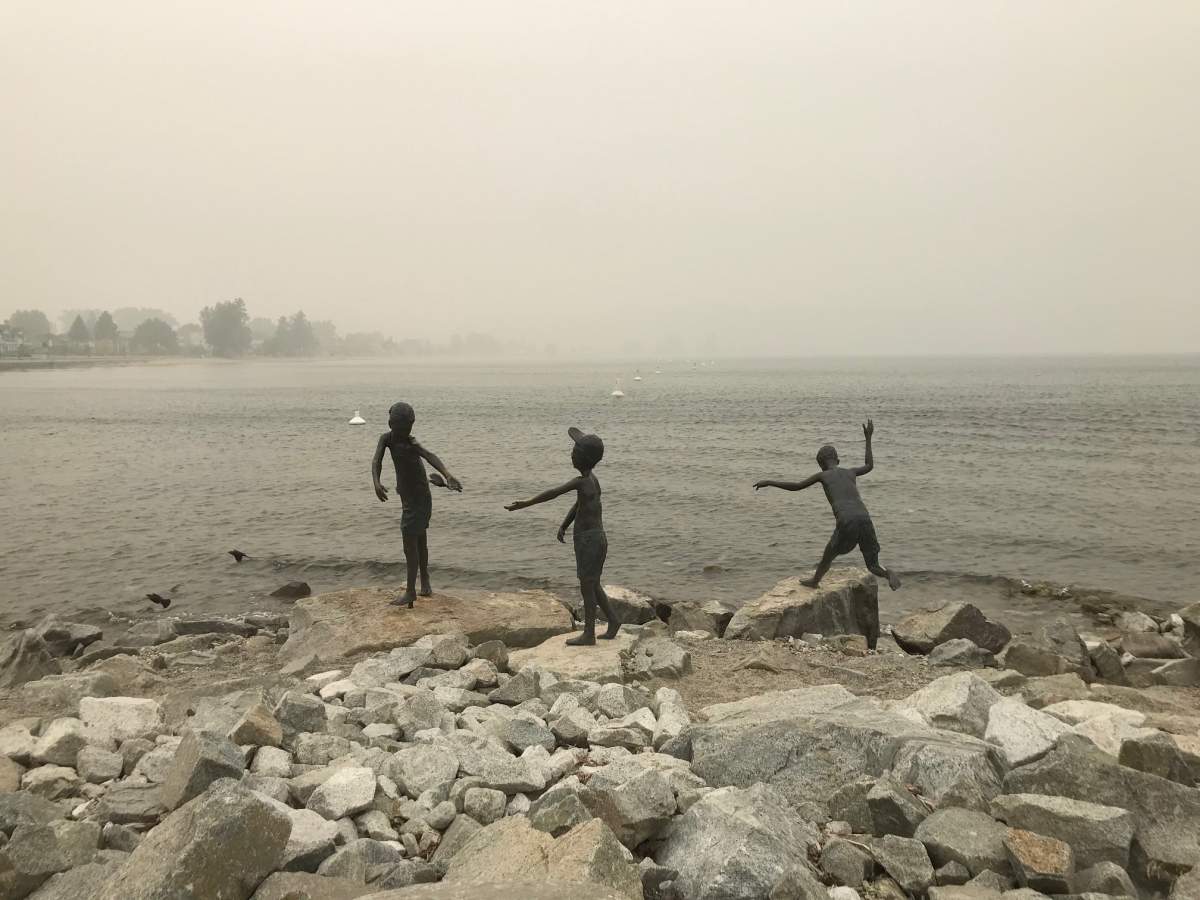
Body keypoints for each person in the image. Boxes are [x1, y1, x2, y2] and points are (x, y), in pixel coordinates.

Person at [754, 418, 901, 591]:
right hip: (864, 517)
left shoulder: (823, 476)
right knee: (872, 564)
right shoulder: (850, 472)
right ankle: (888, 573)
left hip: (846, 520)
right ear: (838, 460)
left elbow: (796, 486)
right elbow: (869, 465)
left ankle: (815, 581)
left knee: (828, 555)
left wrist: (769, 482)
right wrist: (868, 437)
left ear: (821, 464)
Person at [505, 427, 620, 646]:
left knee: (587, 586)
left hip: (589, 541)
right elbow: (579, 505)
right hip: (595, 539)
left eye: (574, 451)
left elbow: (553, 493)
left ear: (582, 457)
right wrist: (565, 525)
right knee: (593, 583)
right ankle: (613, 621)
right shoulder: (592, 481)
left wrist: (526, 503)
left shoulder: (581, 481)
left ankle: (589, 634)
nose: (571, 454)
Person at [371, 402, 461, 607]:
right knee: (419, 538)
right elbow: (376, 461)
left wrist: (448, 475)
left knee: (411, 542)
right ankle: (425, 582)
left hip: (419, 497)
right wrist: (376, 482)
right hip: (408, 497)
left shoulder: (411, 443)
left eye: (407, 428)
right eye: (403, 427)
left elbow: (430, 456)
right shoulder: (386, 439)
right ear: (391, 424)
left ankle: (411, 591)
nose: (405, 432)